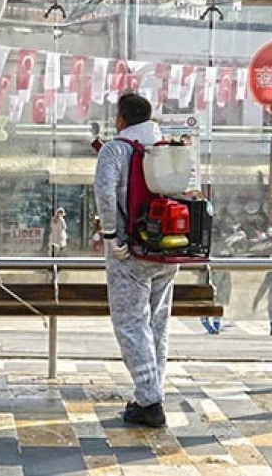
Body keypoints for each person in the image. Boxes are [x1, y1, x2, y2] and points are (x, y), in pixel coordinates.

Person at [94, 92, 175, 428]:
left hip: (131, 252)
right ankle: (153, 391)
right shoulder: (167, 147)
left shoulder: (117, 148)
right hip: (168, 249)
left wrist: (112, 237)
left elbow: (104, 191)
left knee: (130, 323)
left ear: (121, 118)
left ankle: (149, 400)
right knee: (157, 322)